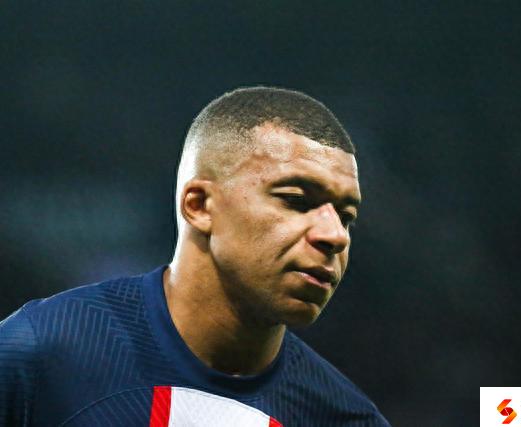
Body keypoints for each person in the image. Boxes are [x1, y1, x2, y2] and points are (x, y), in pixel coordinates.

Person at [0, 86, 390, 426]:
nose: (334, 236)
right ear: (199, 205)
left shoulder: (346, 418)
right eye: (296, 200)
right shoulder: (39, 353)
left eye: (346, 216)